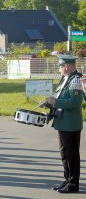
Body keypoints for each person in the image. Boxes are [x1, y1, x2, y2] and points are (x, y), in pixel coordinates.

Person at [45, 54, 83, 194]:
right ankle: (67, 180)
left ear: (66, 66)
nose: (59, 68)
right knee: (64, 154)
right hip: (62, 123)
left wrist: (56, 102)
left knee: (72, 155)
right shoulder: (64, 78)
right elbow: (58, 96)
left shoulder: (76, 79)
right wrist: (49, 102)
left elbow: (76, 102)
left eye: (60, 66)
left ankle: (73, 184)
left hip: (70, 124)